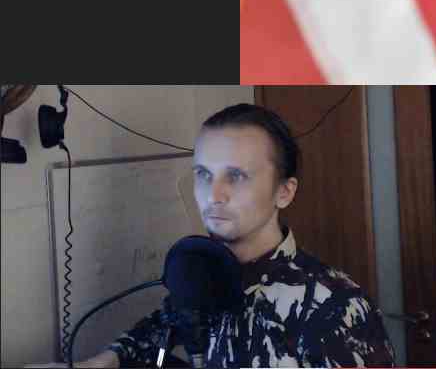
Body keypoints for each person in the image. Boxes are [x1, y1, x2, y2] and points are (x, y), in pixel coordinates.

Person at [51, 104, 395, 368]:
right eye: (203, 174)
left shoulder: (336, 307)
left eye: (236, 176)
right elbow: (162, 325)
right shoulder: (203, 273)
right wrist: (104, 361)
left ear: (284, 192)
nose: (213, 195)